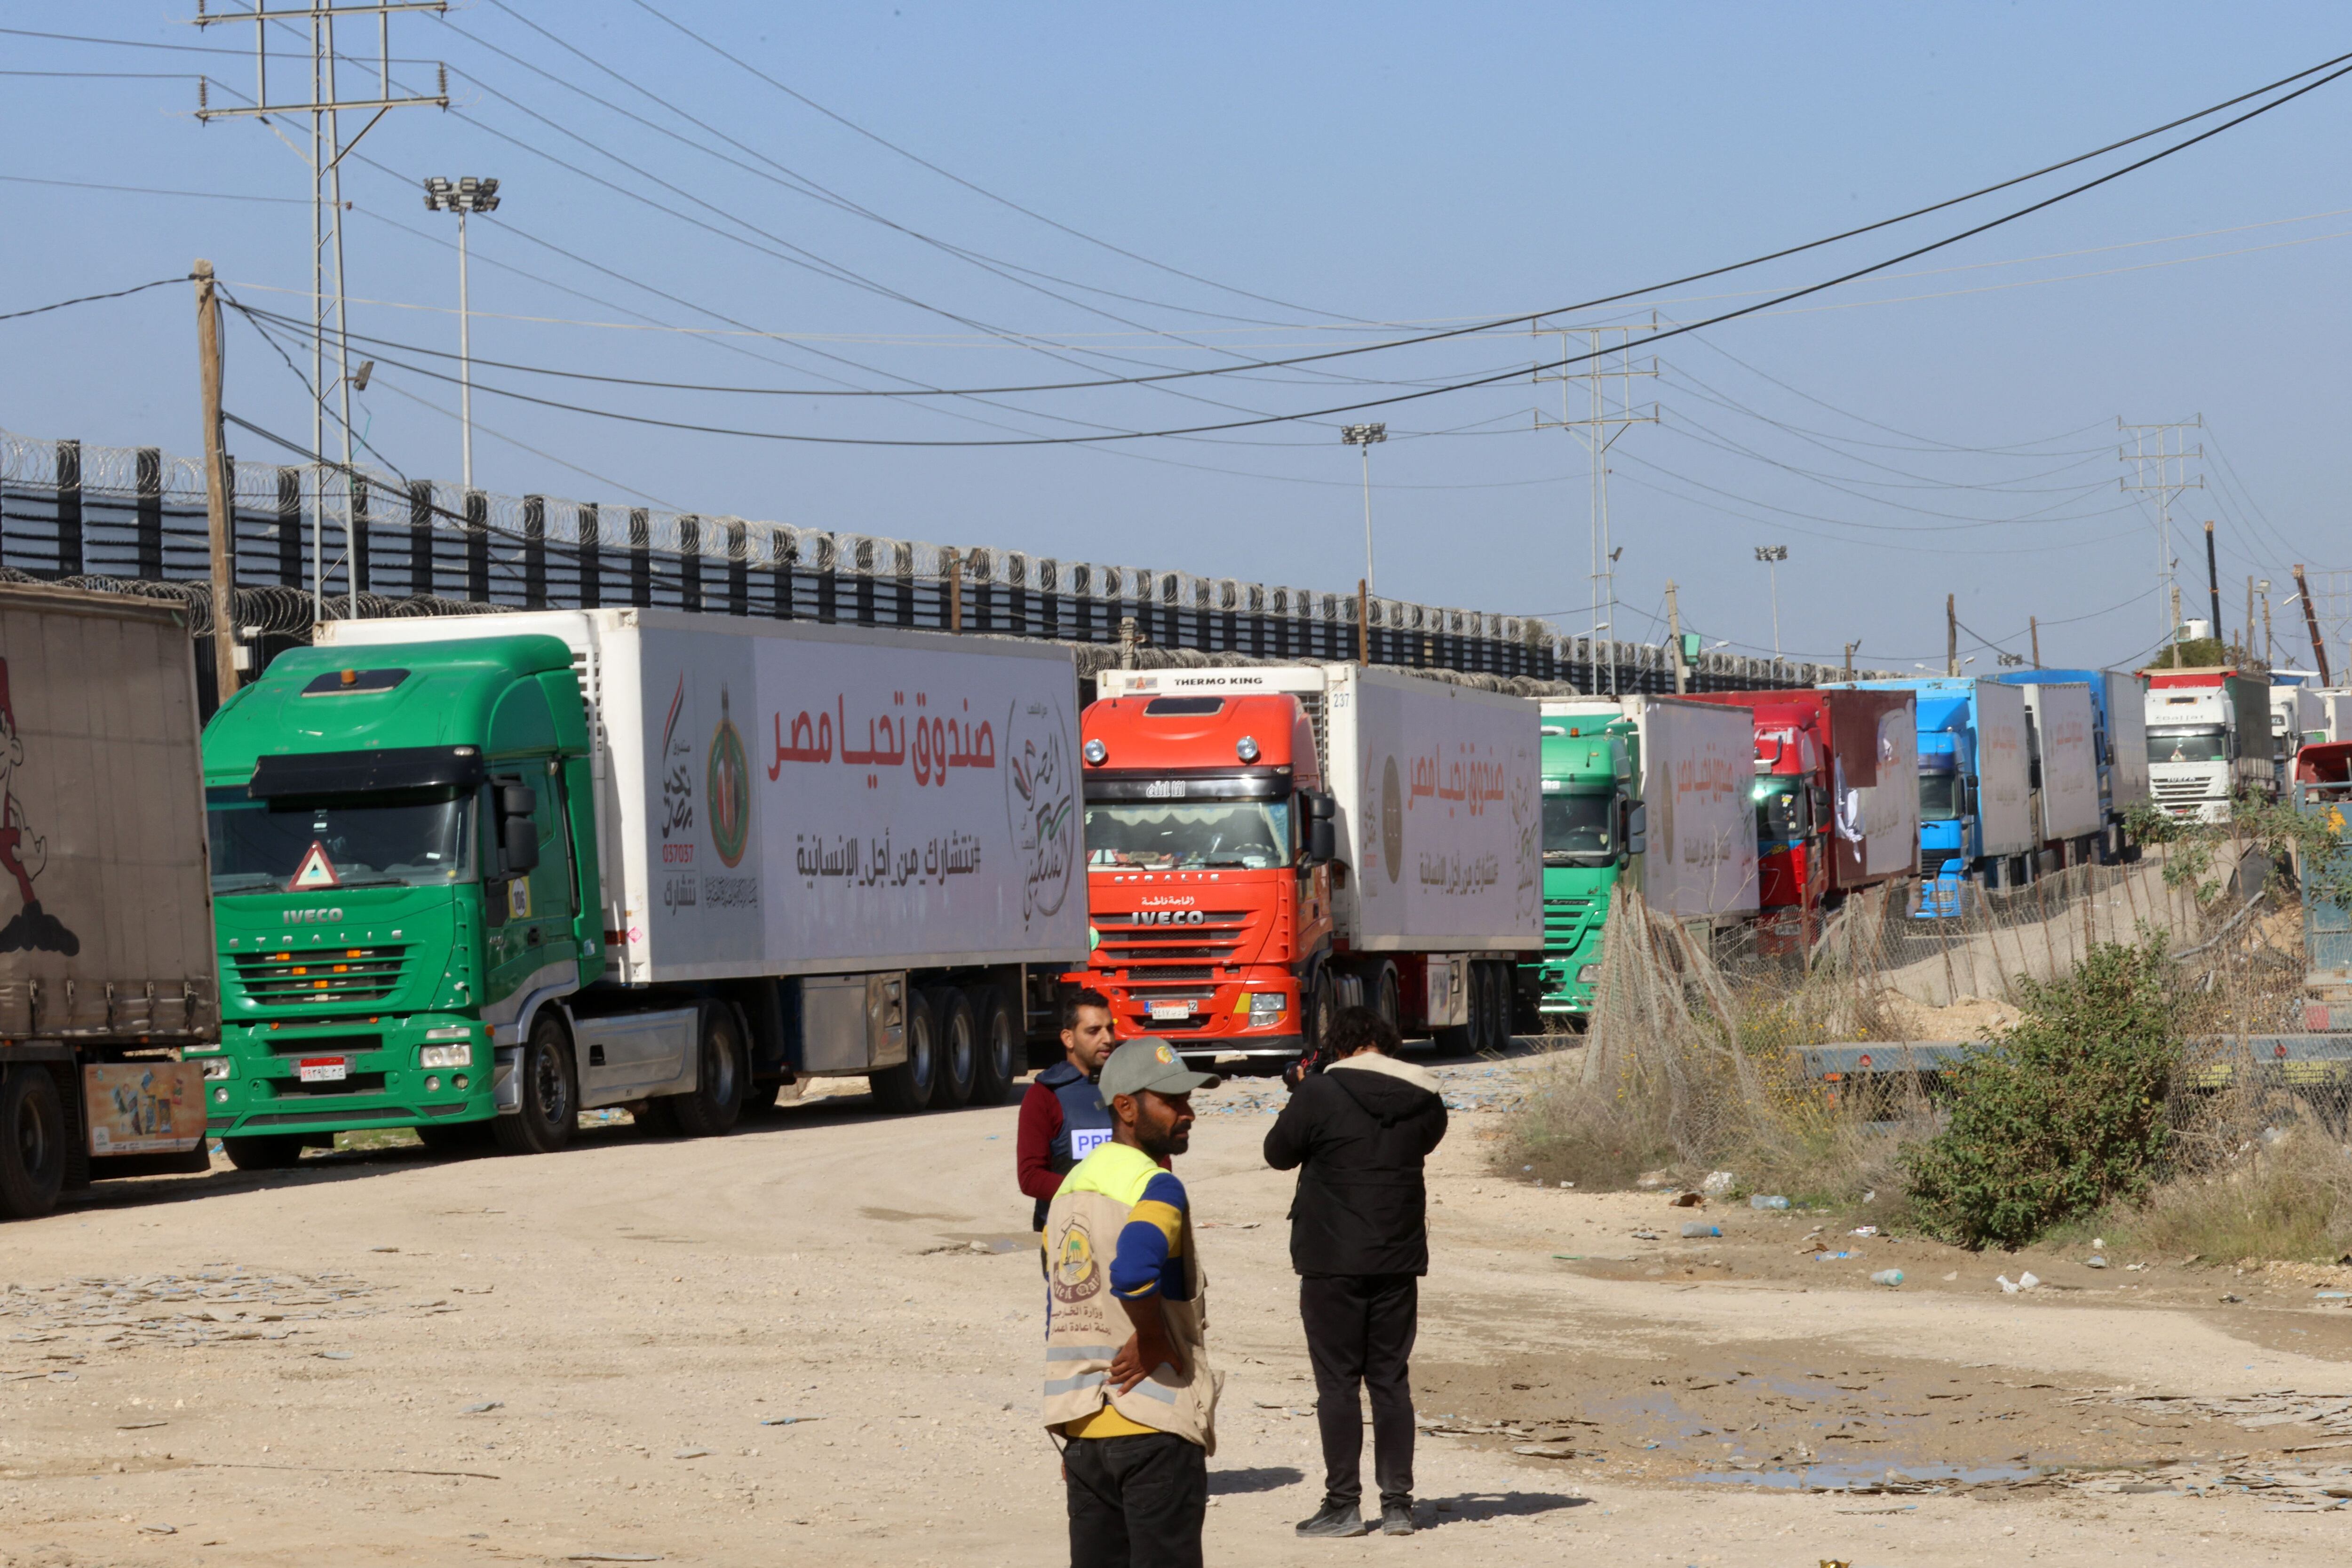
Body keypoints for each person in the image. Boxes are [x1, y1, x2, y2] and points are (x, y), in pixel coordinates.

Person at [1263, 1005, 1447, 1539]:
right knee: (1390, 1380)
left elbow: (1278, 1153)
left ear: (1338, 1046)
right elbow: (1422, 1141)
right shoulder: (1425, 1097)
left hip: (1331, 1259)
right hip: (1398, 1258)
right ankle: (1398, 1506)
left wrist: (1303, 1090)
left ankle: (1343, 1504)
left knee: (1338, 1383)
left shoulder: (1320, 1092)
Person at [1041, 1038, 1223, 1568]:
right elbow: (1133, 1272)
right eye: (1172, 1101)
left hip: (1083, 1431)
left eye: (1188, 1099)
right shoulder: (1156, 1186)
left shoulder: (1066, 1193)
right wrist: (1153, 1339)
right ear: (1126, 1107)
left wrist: (1074, 1437)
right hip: (1153, 1425)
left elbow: (1062, 1306)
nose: (1188, 1113)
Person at [1020, 988, 1120, 1235]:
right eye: (1094, 1031)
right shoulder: (1045, 1096)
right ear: (1069, 1039)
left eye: (1110, 1029)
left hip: (1125, 1226)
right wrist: (1093, 1193)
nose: (1107, 1039)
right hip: (1067, 1234)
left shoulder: (1130, 1090)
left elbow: (1159, 1163)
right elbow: (1031, 1177)